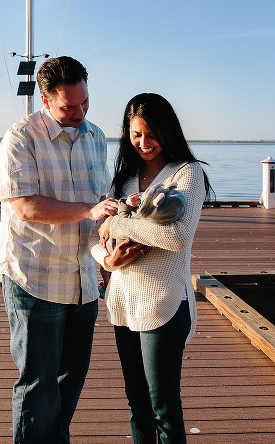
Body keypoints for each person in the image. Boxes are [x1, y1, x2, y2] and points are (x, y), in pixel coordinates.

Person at [0, 56, 119, 443]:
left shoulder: (96, 136)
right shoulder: (20, 138)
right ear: (46, 101)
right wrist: (89, 209)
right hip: (34, 278)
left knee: (70, 383)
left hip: (83, 279)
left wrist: (108, 244)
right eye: (69, 107)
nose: (80, 113)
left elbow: (100, 202)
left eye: (85, 103)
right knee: (37, 386)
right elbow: (26, 206)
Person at [91, 93, 213, 444]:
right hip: (122, 305)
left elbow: (175, 236)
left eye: (151, 134)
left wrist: (117, 225)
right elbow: (90, 237)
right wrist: (107, 259)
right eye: (136, 135)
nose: (144, 143)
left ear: (168, 131)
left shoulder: (186, 174)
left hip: (164, 304)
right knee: (138, 407)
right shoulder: (124, 179)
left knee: (164, 411)